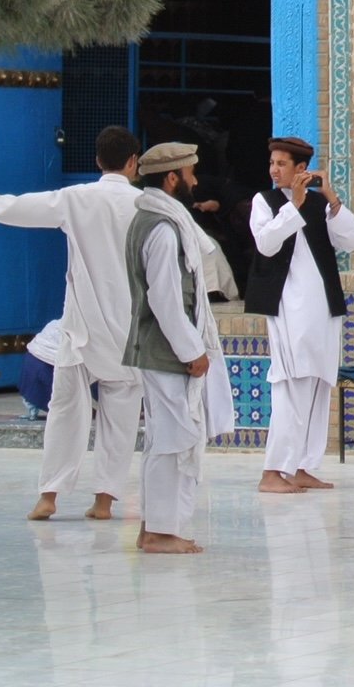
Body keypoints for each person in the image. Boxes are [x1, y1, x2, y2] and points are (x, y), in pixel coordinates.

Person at [0, 125, 144, 522]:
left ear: (97, 161)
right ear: (133, 163)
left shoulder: (75, 199)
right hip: (130, 331)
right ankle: (104, 501)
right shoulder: (148, 206)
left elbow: (13, 207)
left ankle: (49, 496)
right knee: (121, 417)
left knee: (65, 411)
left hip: (82, 329)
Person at [122, 142, 235, 554]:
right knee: (176, 441)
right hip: (168, 351)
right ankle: (160, 533)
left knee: (166, 440)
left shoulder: (158, 219)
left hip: (164, 350)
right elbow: (165, 300)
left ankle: (158, 527)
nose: (195, 180)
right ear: (172, 178)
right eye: (190, 173)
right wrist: (193, 351)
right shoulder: (162, 229)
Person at [248, 136, 354, 494]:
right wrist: (293, 207)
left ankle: (302, 465)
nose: (274, 170)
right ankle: (273, 471)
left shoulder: (318, 205)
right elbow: (266, 243)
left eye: (282, 164)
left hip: (323, 310)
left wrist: (331, 199)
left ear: (301, 169)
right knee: (291, 386)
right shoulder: (264, 202)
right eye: (272, 163)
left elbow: (353, 240)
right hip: (287, 310)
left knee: (318, 386)